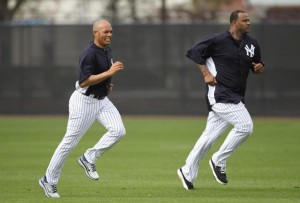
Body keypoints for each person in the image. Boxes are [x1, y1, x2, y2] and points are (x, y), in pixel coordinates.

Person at [177, 10, 265, 190]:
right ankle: (218, 159)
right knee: (245, 126)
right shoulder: (218, 40)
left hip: (237, 94)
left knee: (208, 138)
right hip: (220, 94)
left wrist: (258, 67)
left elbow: (257, 64)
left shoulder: (252, 44)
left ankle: (187, 171)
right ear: (234, 23)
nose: (249, 23)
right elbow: (194, 52)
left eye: (249, 20)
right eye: (245, 20)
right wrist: (206, 73)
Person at [39, 19, 126, 198]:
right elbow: (84, 81)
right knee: (69, 143)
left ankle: (89, 158)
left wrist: (107, 83)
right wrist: (109, 73)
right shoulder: (89, 53)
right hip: (84, 102)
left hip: (102, 100)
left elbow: (100, 75)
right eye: (105, 32)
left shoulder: (106, 49)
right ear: (95, 33)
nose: (109, 34)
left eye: (111, 31)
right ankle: (49, 179)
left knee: (118, 131)